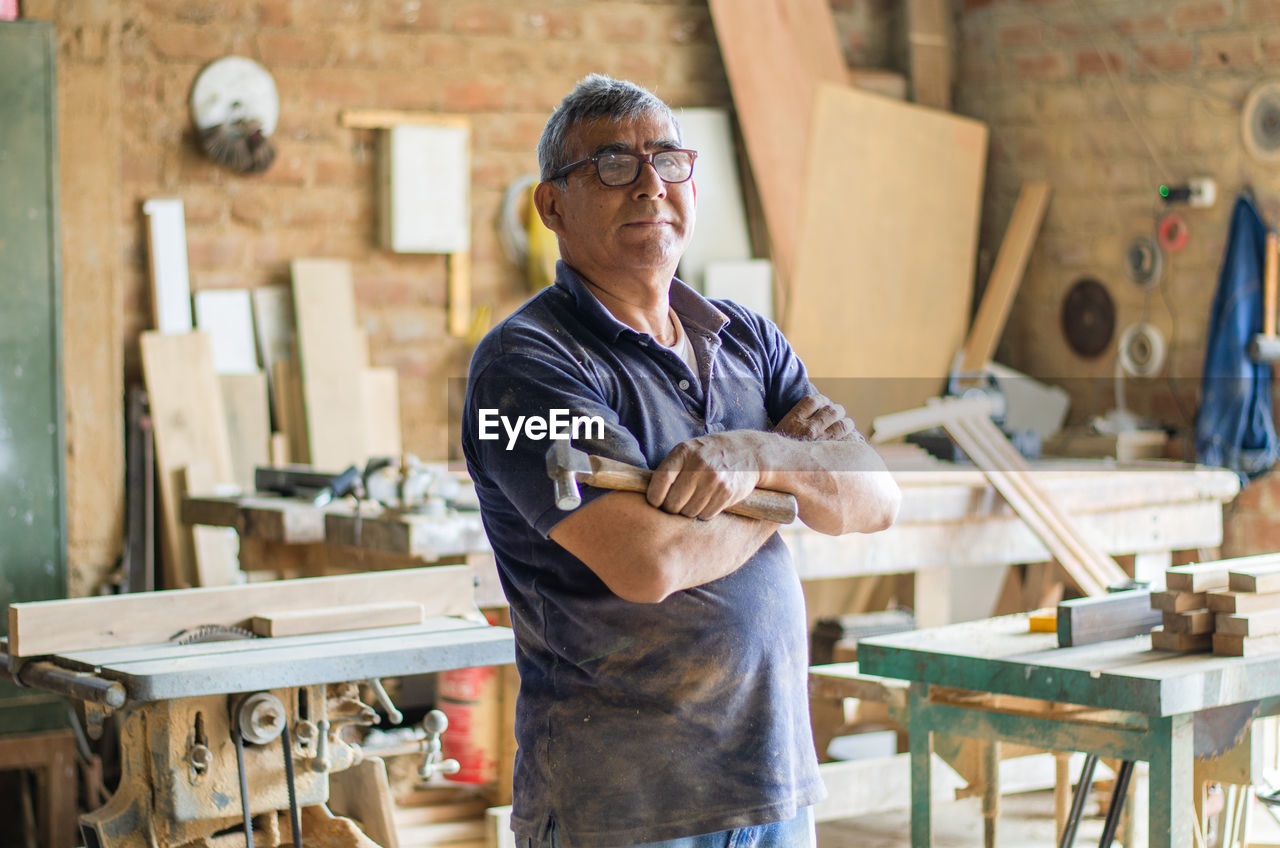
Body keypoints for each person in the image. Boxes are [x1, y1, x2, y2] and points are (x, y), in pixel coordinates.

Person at [461, 74, 901, 848]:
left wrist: (754, 456)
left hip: (772, 789)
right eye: (613, 166)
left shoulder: (747, 340)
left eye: (667, 160)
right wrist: (795, 490)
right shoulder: (527, 363)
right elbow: (649, 563)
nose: (650, 187)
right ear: (551, 206)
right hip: (627, 808)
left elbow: (873, 500)